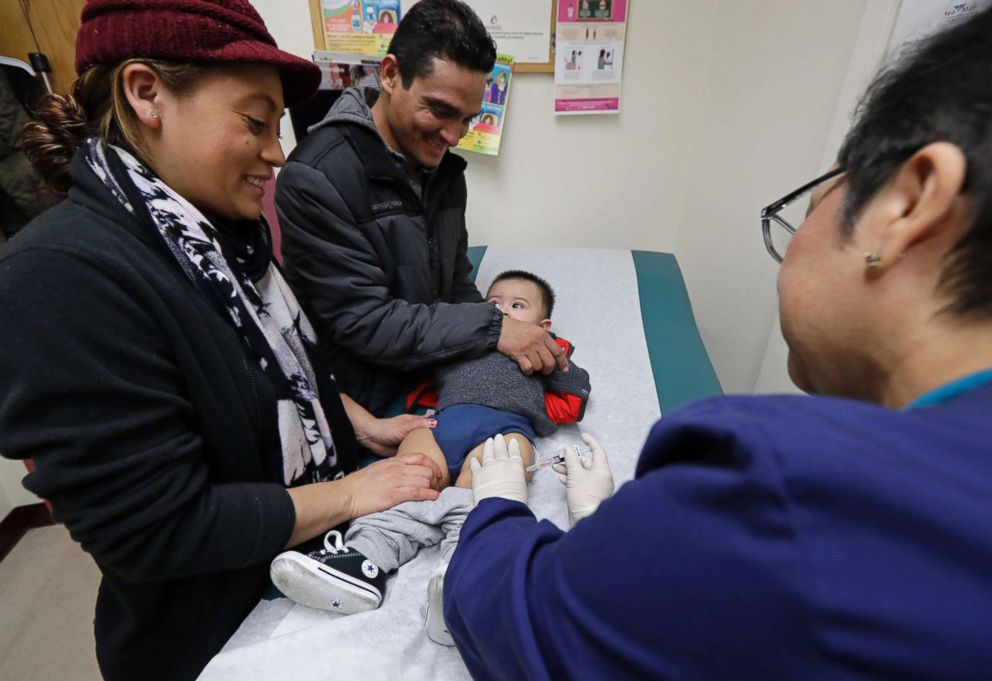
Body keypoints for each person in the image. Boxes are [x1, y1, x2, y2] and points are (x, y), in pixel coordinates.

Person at [444, 8, 992, 680]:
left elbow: (521, 619)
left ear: (908, 204)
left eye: (813, 198)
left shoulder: (777, 480)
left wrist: (504, 506)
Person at [0, 2, 444, 680]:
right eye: (254, 122)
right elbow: (159, 527)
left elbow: (270, 372)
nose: (276, 152)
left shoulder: (220, 238)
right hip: (217, 637)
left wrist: (361, 425)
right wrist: (355, 493)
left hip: (304, 563)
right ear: (146, 92)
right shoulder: (56, 277)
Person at [275, 0, 567, 421]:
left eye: (467, 118)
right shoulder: (316, 178)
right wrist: (493, 328)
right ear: (391, 74)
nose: (453, 136)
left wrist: (503, 328)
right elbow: (366, 323)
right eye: (440, 110)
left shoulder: (443, 169)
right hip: (366, 400)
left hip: (431, 368)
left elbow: (455, 280)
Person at [269, 271, 591, 644]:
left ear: (543, 324)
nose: (502, 310)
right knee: (403, 482)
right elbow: (423, 359)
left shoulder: (545, 347)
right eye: (494, 303)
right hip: (441, 424)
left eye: (517, 306)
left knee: (484, 492)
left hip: (503, 429)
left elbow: (572, 400)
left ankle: (463, 578)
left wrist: (554, 353)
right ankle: (362, 562)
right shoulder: (467, 338)